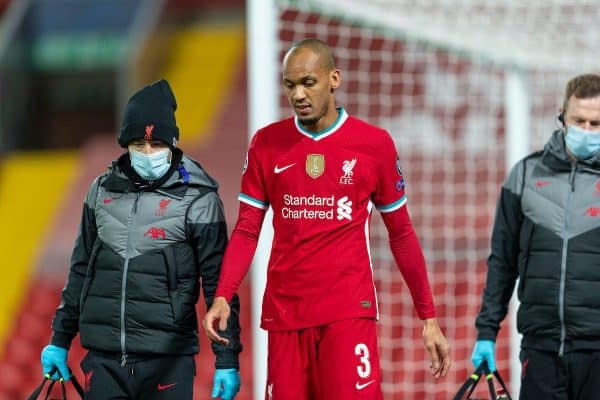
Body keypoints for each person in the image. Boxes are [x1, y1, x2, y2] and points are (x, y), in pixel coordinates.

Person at [202, 38, 451, 399]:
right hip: (285, 315)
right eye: (290, 85)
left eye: (308, 82)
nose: (298, 94)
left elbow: (402, 234)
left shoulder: (374, 144)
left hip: (347, 312)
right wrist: (223, 295)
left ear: (334, 79)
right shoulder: (266, 144)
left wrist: (428, 317)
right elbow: (246, 229)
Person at [39, 79, 242, 400]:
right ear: (125, 143)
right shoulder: (100, 191)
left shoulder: (200, 199)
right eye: (138, 144)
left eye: (157, 145)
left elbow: (221, 286)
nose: (148, 153)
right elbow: (80, 270)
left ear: (172, 143)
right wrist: (59, 340)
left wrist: (227, 360)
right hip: (102, 361)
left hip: (169, 363)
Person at [471, 73, 600, 399]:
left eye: (595, 123)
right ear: (562, 116)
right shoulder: (525, 175)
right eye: (579, 120)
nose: (586, 130)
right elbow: (502, 261)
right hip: (541, 351)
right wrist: (486, 331)